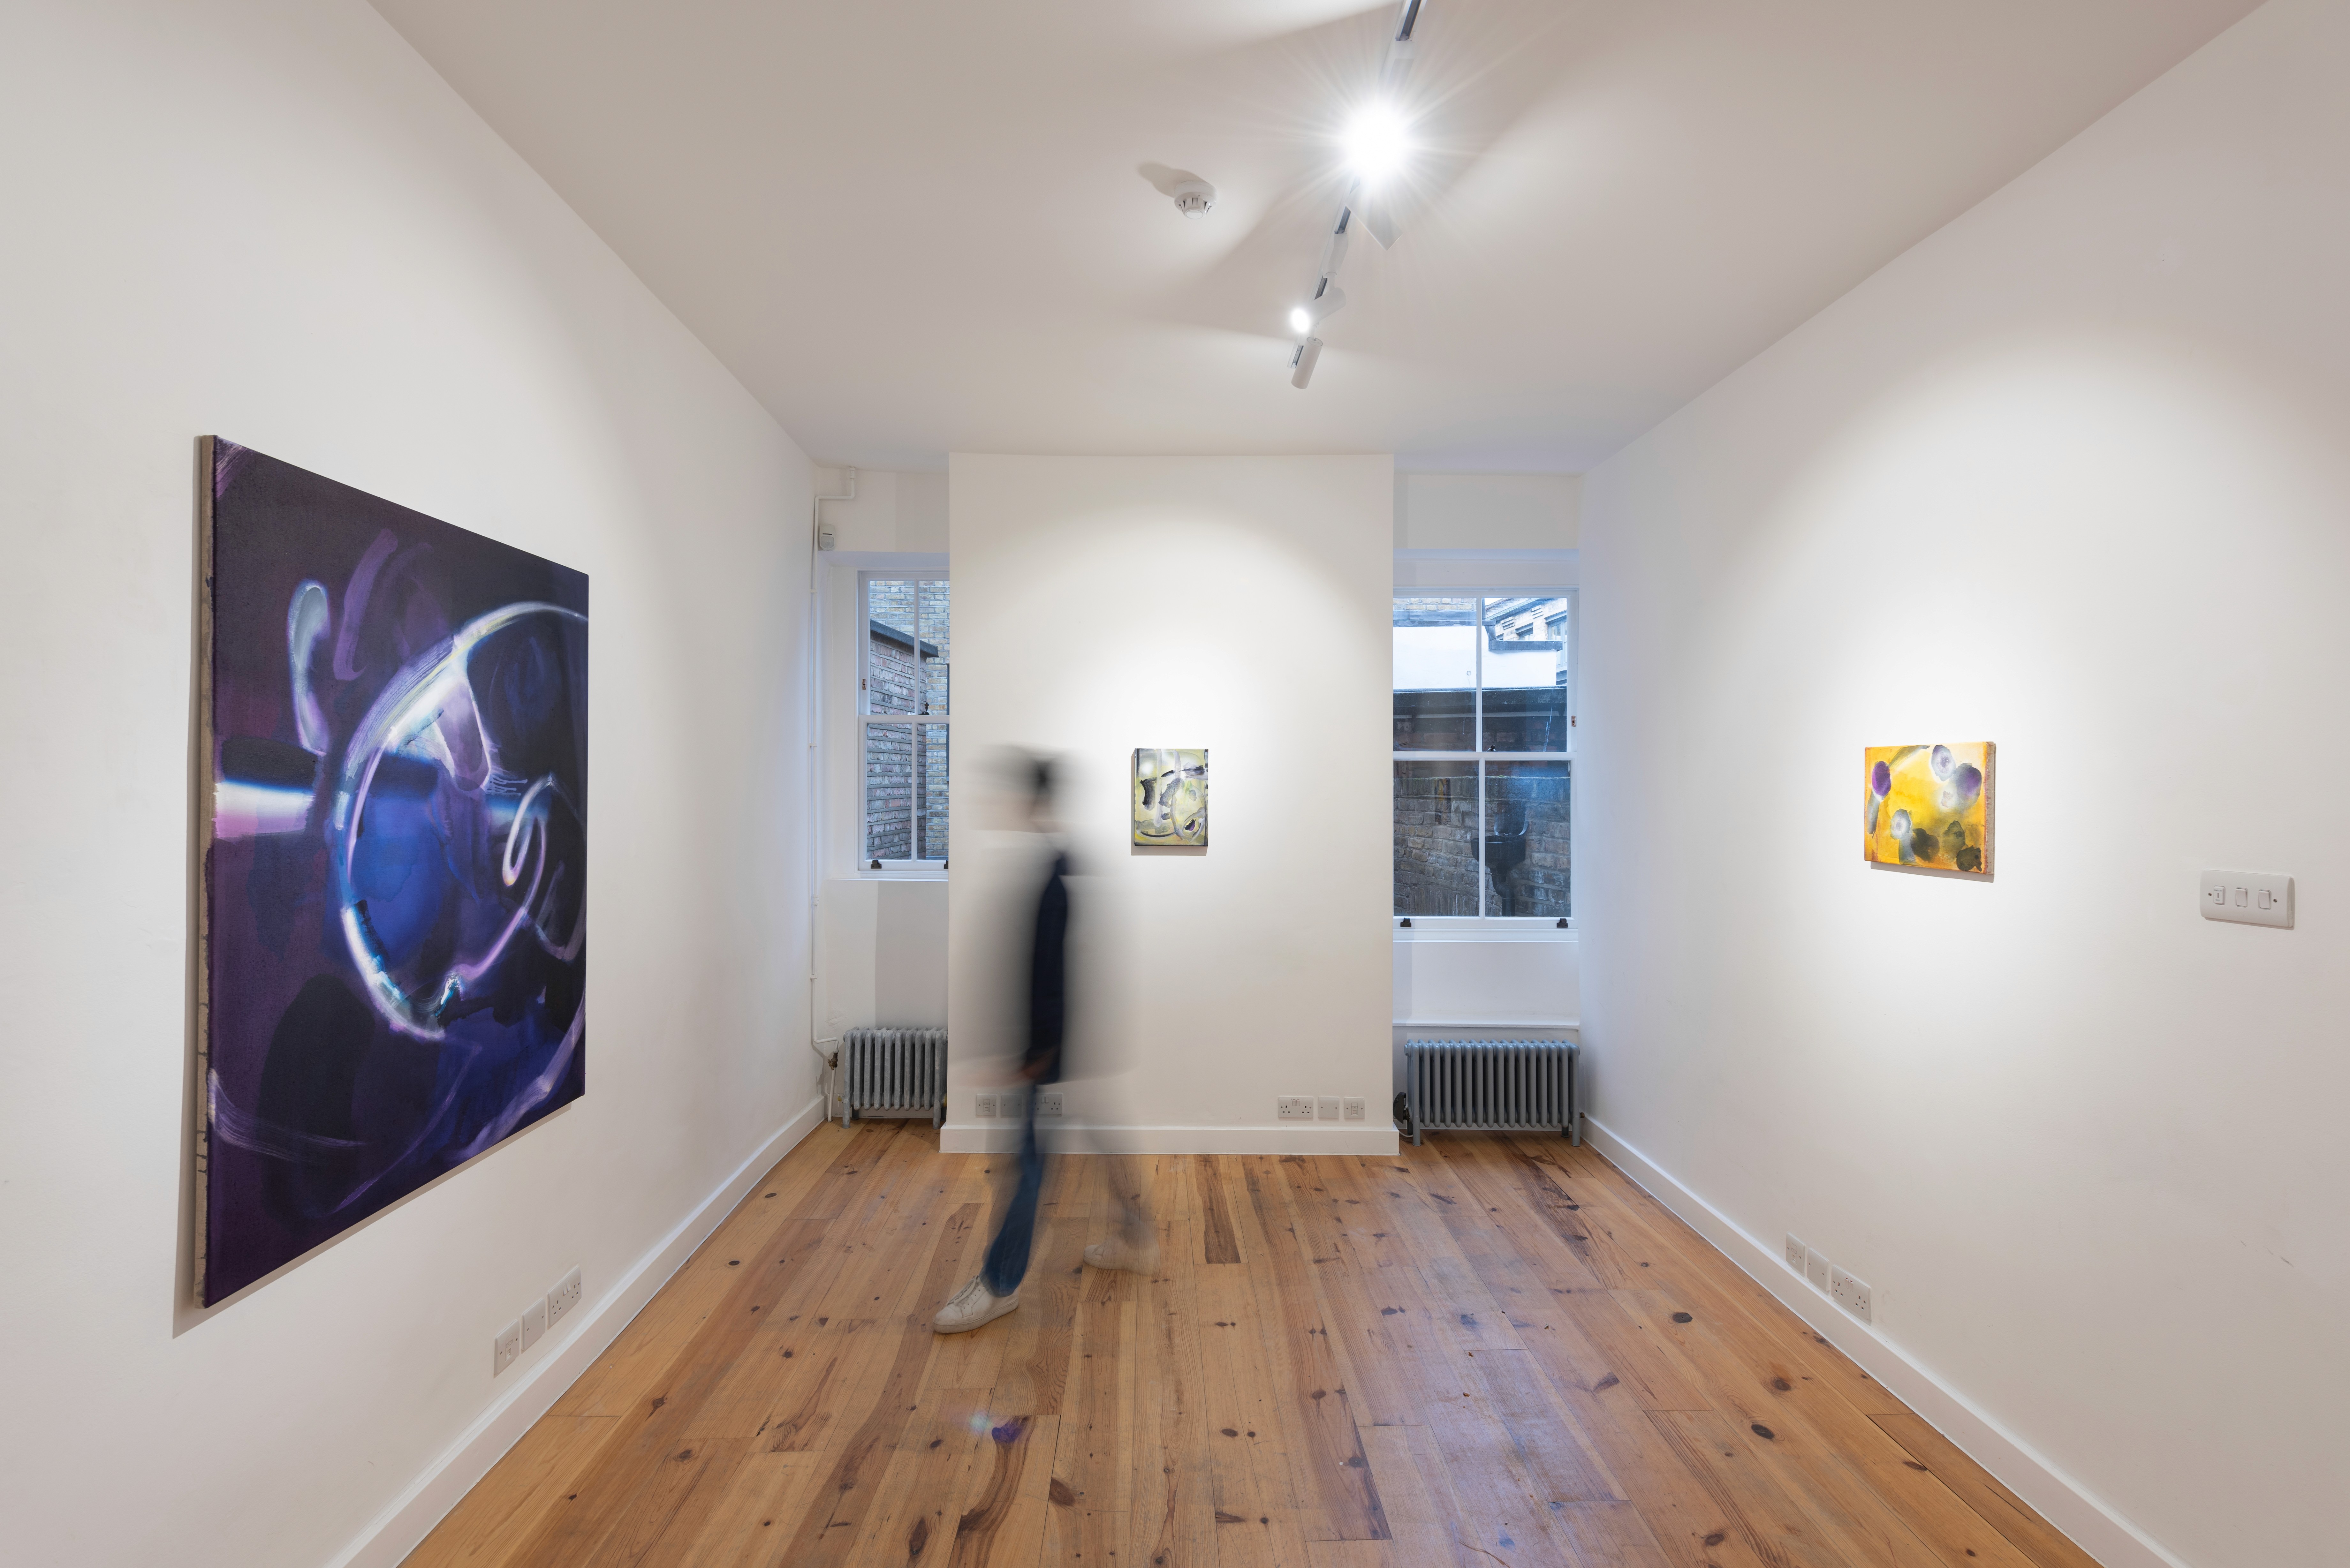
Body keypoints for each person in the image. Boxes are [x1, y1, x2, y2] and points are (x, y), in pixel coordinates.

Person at [934, 755, 1157, 1334]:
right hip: (1069, 1045)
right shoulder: (1062, 864)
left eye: (1006, 796)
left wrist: (1035, 1056)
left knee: (1028, 1166)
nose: (996, 807)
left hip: (1053, 1050)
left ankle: (999, 1285)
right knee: (1095, 1138)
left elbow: (1050, 973)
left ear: (1030, 800)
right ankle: (1138, 1236)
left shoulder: (1054, 874)